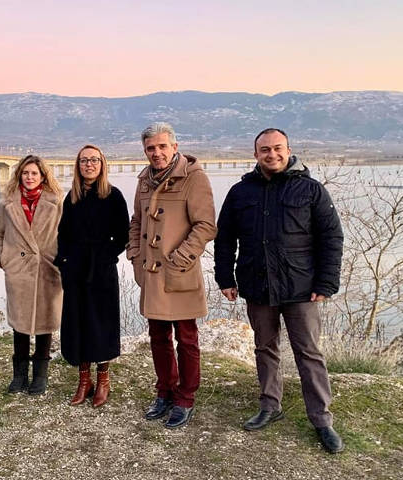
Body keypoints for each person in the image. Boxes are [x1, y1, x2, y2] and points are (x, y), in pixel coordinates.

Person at [214, 128, 345, 453]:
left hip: (301, 287)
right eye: (265, 150)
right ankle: (270, 405)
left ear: (288, 150)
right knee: (265, 348)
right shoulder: (240, 192)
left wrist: (326, 282)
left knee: (309, 352)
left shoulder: (311, 190)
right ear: (255, 154)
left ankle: (322, 419)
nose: (271, 154)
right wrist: (225, 278)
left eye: (277, 148)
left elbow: (331, 237)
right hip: (257, 284)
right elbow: (225, 238)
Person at [126, 123, 216, 429]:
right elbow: (137, 221)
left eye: (162, 146)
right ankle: (164, 391)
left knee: (187, 338)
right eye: (151, 148)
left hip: (180, 273)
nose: (157, 153)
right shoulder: (144, 180)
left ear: (175, 147)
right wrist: (135, 255)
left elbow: (206, 225)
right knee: (158, 336)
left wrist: (180, 258)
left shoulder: (194, 177)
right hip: (151, 274)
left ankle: (185, 397)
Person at [55, 144, 129, 408]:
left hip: (101, 270)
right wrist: (65, 262)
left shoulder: (113, 196)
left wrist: (105, 257)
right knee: (79, 323)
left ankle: (103, 380)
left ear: (102, 163)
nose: (89, 164)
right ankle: (84, 380)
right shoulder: (72, 197)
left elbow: (123, 234)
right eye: (84, 160)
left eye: (94, 160)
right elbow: (62, 234)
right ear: (78, 165)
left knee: (101, 324)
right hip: (75, 271)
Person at [0, 155, 63, 395]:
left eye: (34, 173)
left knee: (46, 322)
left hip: (48, 268)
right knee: (20, 323)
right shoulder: (7, 204)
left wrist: (59, 261)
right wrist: (3, 258)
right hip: (19, 270)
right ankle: (19, 375)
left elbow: (64, 234)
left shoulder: (56, 202)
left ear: (43, 176)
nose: (29, 177)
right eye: (25, 173)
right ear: (19, 175)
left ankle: (40, 375)